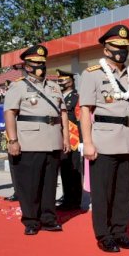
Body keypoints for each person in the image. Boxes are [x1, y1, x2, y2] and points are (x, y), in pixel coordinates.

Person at [79, 24, 129, 252]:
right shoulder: (91, 75)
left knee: (124, 191)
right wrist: (87, 143)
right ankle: (104, 234)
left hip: (127, 140)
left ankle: (120, 232)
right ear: (106, 48)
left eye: (124, 47)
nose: (121, 51)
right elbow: (86, 111)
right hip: (104, 141)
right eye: (116, 46)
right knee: (103, 192)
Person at [4, 44, 70, 235]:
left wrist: (65, 136)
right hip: (30, 140)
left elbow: (63, 112)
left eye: (43, 63)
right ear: (27, 66)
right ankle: (31, 220)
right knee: (30, 184)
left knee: (50, 183)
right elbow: (10, 113)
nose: (41, 66)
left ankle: (48, 218)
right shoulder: (19, 86)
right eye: (36, 63)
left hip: (53, 139)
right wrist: (12, 140)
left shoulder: (54, 86)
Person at [56, 69, 83, 210]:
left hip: (74, 139)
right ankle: (67, 196)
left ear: (71, 81)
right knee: (65, 169)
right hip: (62, 138)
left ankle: (75, 200)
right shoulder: (60, 97)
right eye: (59, 80)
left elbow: (80, 119)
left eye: (63, 80)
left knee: (74, 170)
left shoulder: (76, 97)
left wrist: (83, 141)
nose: (61, 82)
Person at [3, 79, 18, 202]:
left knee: (20, 167)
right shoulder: (8, 103)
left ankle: (21, 191)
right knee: (13, 167)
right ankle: (17, 190)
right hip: (11, 139)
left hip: (20, 138)